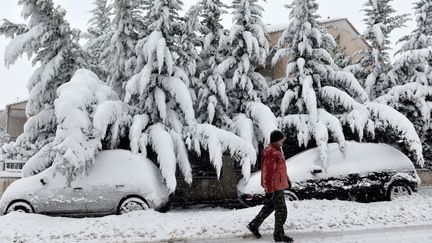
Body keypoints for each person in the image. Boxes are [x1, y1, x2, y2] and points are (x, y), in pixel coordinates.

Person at [246, 130, 293, 242]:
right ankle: (279, 235)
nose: (283, 140)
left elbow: (279, 169)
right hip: (275, 187)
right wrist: (269, 190)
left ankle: (254, 224)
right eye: (282, 139)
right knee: (282, 210)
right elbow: (268, 173)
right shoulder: (271, 152)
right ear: (277, 139)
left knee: (270, 206)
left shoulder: (277, 149)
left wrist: (287, 179)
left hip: (278, 184)